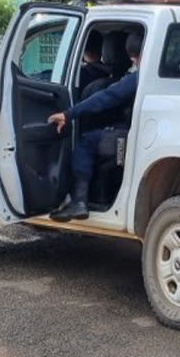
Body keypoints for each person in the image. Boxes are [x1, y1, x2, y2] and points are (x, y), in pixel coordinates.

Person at [46, 33, 142, 222]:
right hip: (134, 131)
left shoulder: (135, 79)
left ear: (131, 57)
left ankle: (79, 201)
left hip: (126, 136)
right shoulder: (160, 74)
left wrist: (68, 114)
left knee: (85, 141)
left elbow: (105, 98)